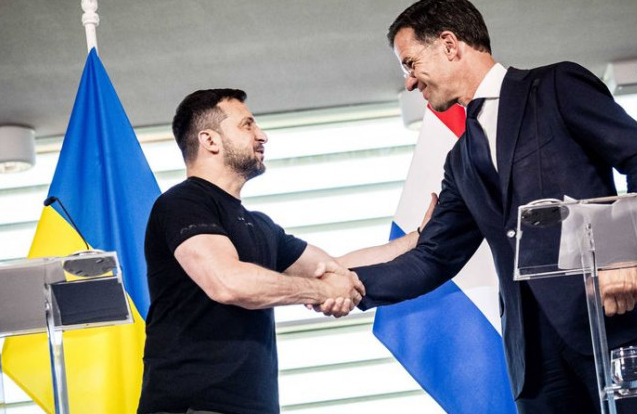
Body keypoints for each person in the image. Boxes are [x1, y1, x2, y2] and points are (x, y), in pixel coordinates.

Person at [350, 0, 637, 413]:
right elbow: (433, 258)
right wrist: (350, 286)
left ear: (450, 45)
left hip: (610, 327)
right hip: (535, 365)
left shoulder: (556, 87)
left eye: (410, 63)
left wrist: (622, 253)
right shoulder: (461, 160)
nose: (410, 82)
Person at [137, 88, 433, 414]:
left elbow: (335, 268)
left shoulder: (260, 226)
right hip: (191, 407)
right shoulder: (183, 203)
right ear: (210, 140)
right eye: (247, 125)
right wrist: (322, 290)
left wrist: (418, 238)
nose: (261, 135)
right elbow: (227, 282)